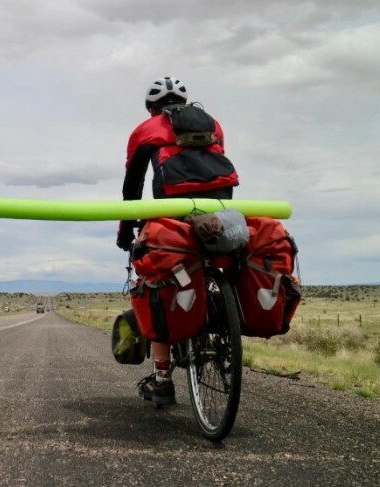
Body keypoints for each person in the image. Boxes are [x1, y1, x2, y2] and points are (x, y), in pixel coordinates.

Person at [116, 76, 238, 407]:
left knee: (156, 280)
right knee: (216, 257)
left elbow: (133, 186)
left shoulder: (146, 129)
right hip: (217, 208)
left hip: (169, 209)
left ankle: (162, 381)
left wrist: (126, 231)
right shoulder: (213, 124)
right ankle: (223, 322)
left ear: (151, 108)